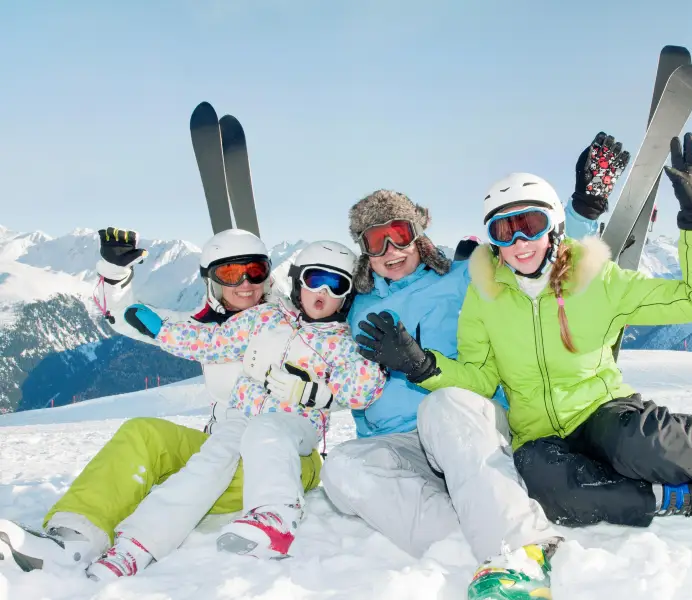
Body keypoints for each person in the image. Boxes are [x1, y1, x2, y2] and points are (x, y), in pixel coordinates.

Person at [354, 134, 692, 599]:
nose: (518, 242)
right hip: (538, 432)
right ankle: (691, 499)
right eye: (503, 231)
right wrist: (425, 366)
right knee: (550, 489)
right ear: (491, 241)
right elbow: (479, 377)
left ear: (554, 228)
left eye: (530, 225)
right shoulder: (485, 297)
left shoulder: (598, 281)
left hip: (600, 408)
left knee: (644, 446)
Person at [320, 133, 627, 595]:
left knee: (442, 404)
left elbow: (539, 260)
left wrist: (583, 207)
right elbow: (303, 325)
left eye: (399, 234)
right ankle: (474, 548)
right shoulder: (356, 307)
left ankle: (520, 549)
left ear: (418, 235)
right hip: (400, 446)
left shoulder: (468, 278)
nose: (390, 250)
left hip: (468, 424)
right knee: (341, 467)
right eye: (376, 241)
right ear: (365, 250)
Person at [0, 229, 322, 573]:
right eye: (230, 273)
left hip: (284, 458)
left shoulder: (297, 320)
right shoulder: (201, 329)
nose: (245, 282)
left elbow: (339, 325)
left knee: (224, 457)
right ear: (211, 280)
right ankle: (71, 541)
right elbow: (130, 319)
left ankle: (140, 542)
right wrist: (115, 274)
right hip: (221, 447)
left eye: (255, 270)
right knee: (143, 434)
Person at [80, 240, 385, 580]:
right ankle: (136, 546)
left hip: (294, 423)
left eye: (337, 285)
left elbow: (361, 390)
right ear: (299, 281)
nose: (324, 292)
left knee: (266, 432)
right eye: (316, 279)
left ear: (347, 294)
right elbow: (213, 343)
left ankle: (275, 516)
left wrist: (315, 388)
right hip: (241, 413)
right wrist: (162, 330)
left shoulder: (342, 341)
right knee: (209, 463)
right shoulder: (266, 317)